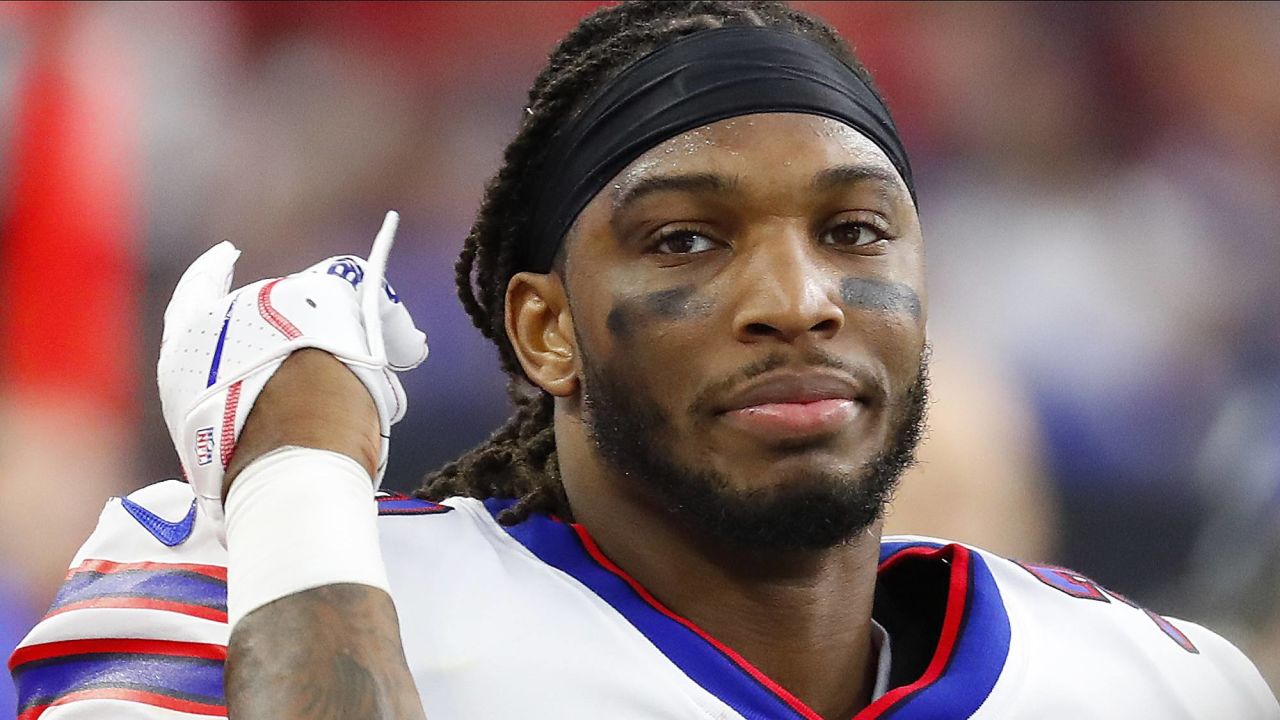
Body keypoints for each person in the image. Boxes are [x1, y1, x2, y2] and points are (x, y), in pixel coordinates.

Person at [10, 2, 1278, 718]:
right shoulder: (243, 585)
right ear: (543, 329)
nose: (797, 301)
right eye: (686, 239)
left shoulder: (1154, 686)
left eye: (853, 230)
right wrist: (292, 481)